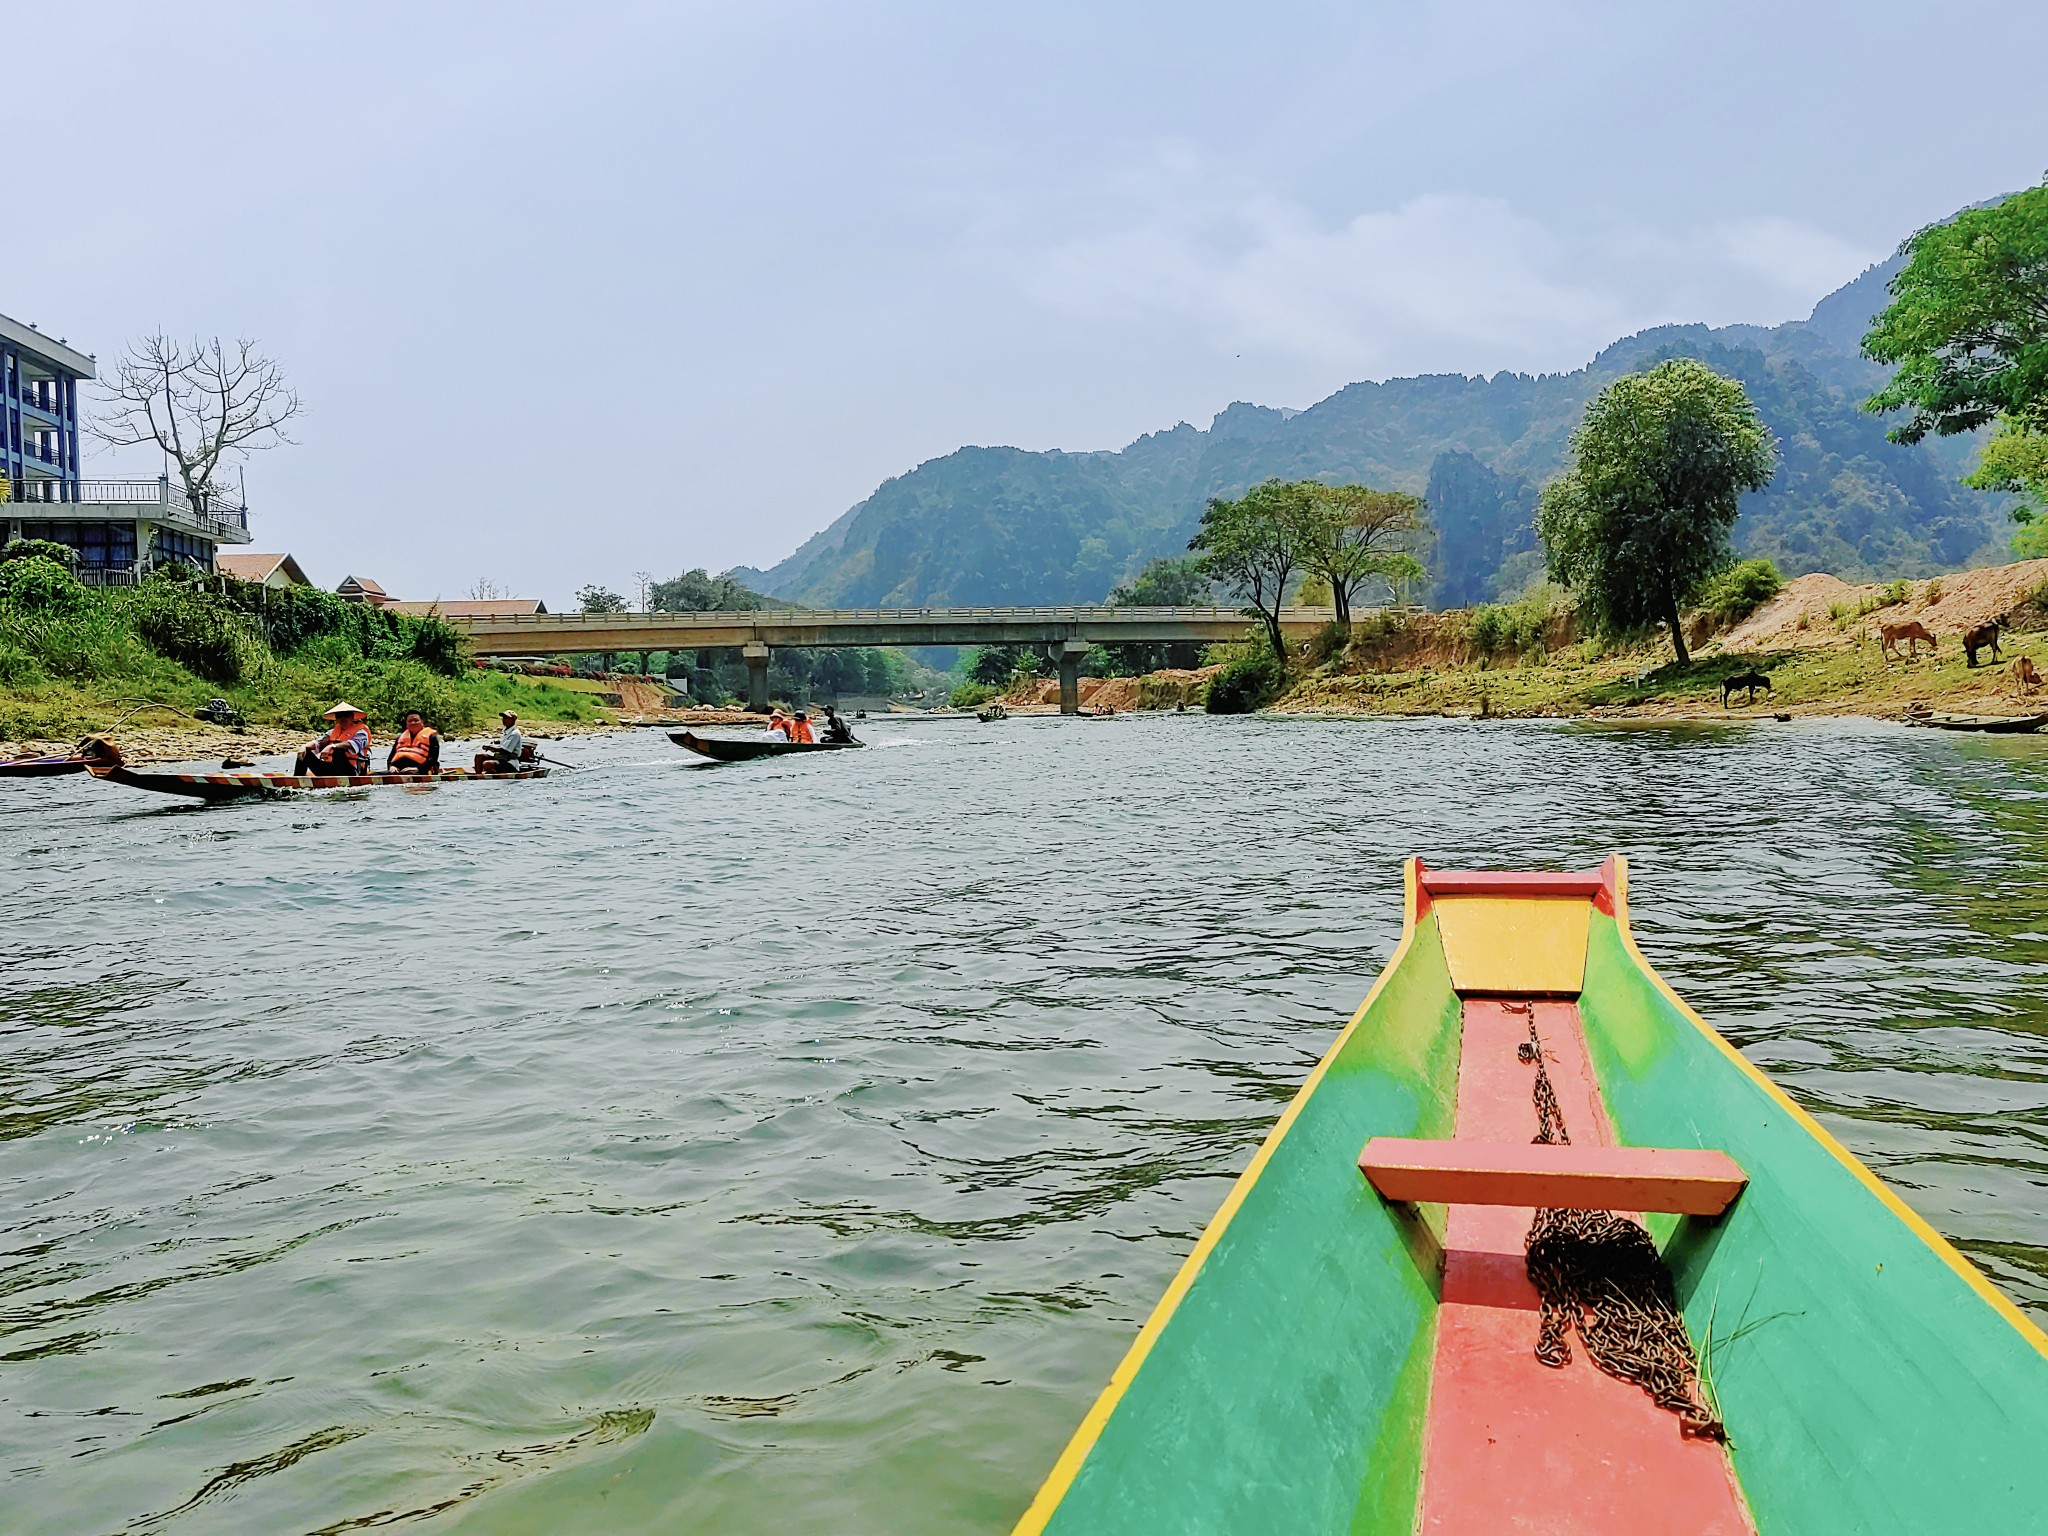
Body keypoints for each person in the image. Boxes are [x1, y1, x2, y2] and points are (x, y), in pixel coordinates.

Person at [296, 703, 371, 775]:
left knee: (338, 750)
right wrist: (304, 746)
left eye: (346, 715)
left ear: (352, 717)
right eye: (339, 716)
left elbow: (354, 744)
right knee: (305, 752)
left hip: (351, 770)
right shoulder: (332, 732)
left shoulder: (361, 732)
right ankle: (297, 779)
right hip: (329, 768)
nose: (342, 719)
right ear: (336, 718)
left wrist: (332, 746)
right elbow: (319, 742)